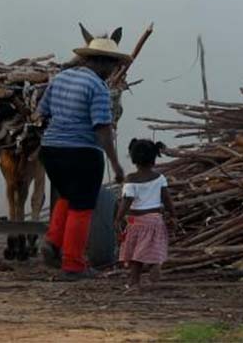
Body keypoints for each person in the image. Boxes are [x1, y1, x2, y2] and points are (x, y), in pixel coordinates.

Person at [37, 24, 129, 280]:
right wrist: (116, 163)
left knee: (67, 195)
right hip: (82, 153)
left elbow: (42, 112)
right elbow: (102, 128)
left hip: (51, 151)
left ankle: (53, 241)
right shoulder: (98, 87)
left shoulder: (61, 78)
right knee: (83, 207)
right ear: (103, 62)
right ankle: (73, 264)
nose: (113, 70)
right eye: (113, 65)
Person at [115, 138, 177, 291]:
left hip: (136, 222)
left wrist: (118, 219)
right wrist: (173, 216)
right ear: (154, 158)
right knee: (154, 248)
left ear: (133, 158)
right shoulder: (159, 178)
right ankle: (155, 265)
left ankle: (134, 282)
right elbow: (167, 200)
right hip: (155, 220)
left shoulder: (131, 180)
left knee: (136, 256)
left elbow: (126, 201)